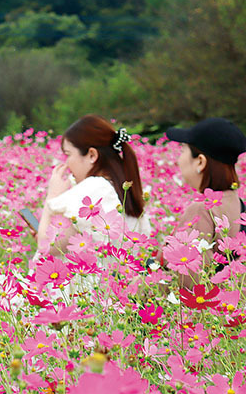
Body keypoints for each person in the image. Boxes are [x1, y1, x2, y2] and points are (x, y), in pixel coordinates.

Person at [37, 115, 151, 255]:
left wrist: (53, 196)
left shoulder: (94, 187)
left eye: (68, 154)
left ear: (92, 155)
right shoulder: (120, 190)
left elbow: (47, 246)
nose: (66, 163)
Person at [164, 117, 246, 285]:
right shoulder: (239, 203)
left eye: (183, 150)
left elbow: (189, 286)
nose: (178, 159)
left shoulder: (201, 209)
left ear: (200, 162)